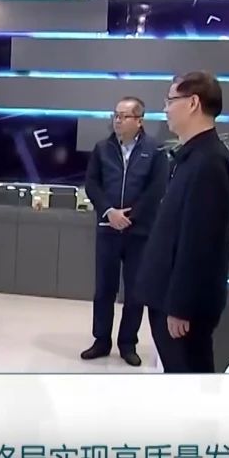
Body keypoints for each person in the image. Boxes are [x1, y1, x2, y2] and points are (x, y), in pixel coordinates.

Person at [138, 71, 229, 374]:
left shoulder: (209, 162)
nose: (165, 108)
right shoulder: (192, 156)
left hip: (181, 307)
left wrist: (182, 306)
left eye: (170, 100)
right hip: (166, 295)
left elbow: (200, 243)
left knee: (190, 379)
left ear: (193, 103)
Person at [80, 97, 169, 366]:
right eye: (116, 115)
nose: (117, 120)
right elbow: (92, 184)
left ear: (139, 120)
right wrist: (109, 212)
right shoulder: (102, 148)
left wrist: (130, 217)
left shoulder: (155, 150)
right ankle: (101, 340)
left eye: (124, 116)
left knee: (135, 291)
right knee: (104, 289)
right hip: (108, 228)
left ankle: (128, 343)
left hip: (139, 232)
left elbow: (157, 188)